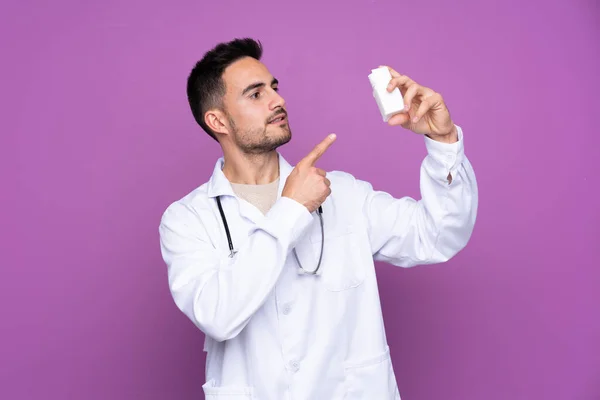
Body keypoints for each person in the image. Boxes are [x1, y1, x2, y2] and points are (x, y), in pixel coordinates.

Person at [159, 37, 478, 400]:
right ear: (218, 120)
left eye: (274, 87)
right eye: (255, 93)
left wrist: (443, 142)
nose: (278, 100)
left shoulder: (343, 194)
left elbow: (438, 235)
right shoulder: (187, 219)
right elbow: (218, 315)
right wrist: (292, 209)